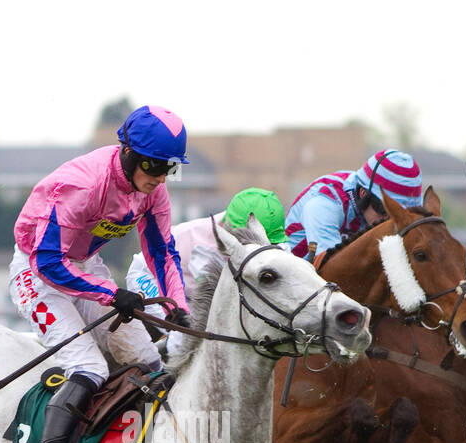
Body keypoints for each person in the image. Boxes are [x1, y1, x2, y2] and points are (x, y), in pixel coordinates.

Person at [9, 105, 193, 443]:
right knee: (88, 365)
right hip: (37, 270)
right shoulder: (84, 185)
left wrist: (178, 305)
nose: (160, 178)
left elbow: (162, 252)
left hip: (82, 266)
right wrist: (111, 294)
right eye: (153, 166)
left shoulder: (152, 192)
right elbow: (47, 262)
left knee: (146, 360)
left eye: (169, 169)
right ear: (127, 152)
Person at [125, 186, 287, 361]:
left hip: (190, 289)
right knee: (188, 332)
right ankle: (167, 370)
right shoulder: (203, 247)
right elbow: (214, 301)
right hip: (151, 277)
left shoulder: (260, 230)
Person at [282, 149, 422, 262]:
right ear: (363, 193)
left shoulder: (365, 194)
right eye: (385, 210)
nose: (390, 221)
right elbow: (333, 271)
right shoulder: (325, 203)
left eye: (399, 214)